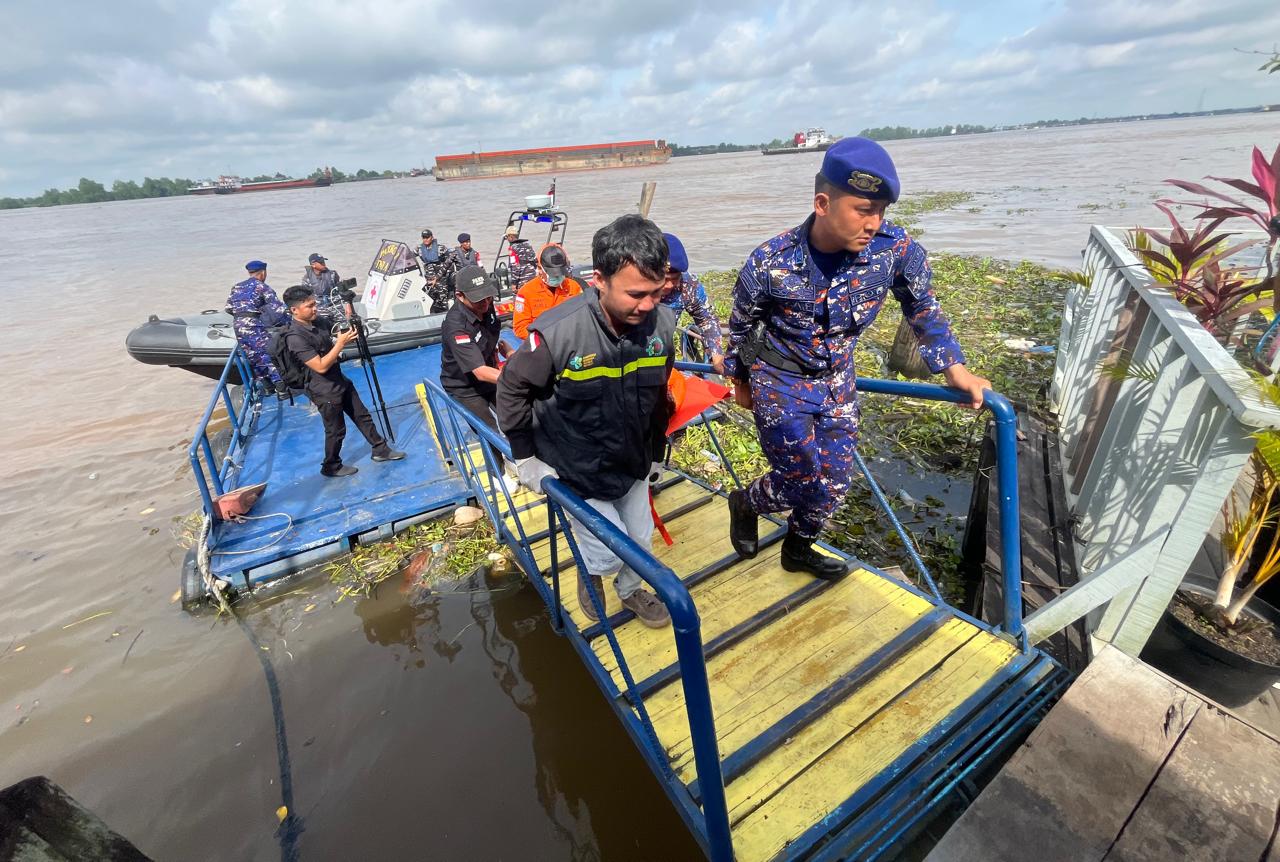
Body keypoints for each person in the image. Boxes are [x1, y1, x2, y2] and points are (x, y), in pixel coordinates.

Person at [724, 137, 991, 580]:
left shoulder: (893, 250)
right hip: (781, 379)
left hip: (839, 379)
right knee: (798, 479)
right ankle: (746, 501)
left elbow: (922, 306)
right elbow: (739, 328)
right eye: (863, 210)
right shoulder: (770, 261)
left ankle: (798, 548)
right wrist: (742, 383)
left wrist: (955, 370)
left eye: (881, 211)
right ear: (824, 203)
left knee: (834, 482)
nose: (874, 222)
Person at [497, 214, 675, 629]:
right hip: (575, 467)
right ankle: (590, 572)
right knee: (608, 551)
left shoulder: (662, 325)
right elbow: (511, 389)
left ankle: (631, 591)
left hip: (630, 462)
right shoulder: (557, 334)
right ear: (599, 278)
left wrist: (655, 453)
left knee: (641, 541)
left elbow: (659, 395)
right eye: (636, 294)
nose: (648, 305)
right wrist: (525, 458)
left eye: (656, 292)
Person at [281, 285, 405, 477]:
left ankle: (380, 449)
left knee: (362, 415)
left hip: (338, 379)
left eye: (314, 304)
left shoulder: (317, 322)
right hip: (322, 388)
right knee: (335, 430)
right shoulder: (296, 338)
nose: (315, 309)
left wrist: (349, 310)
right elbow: (320, 366)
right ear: (294, 310)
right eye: (309, 306)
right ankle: (330, 465)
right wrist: (340, 344)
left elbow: (338, 326)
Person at [439, 264, 515, 478]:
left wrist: (504, 349)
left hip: (490, 372)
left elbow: (488, 336)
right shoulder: (457, 326)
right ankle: (496, 474)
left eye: (488, 297)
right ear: (460, 296)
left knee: (514, 414)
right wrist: (514, 377)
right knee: (488, 430)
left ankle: (517, 458)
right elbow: (478, 371)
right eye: (479, 299)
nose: (485, 303)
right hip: (464, 385)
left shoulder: (485, 305)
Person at [660, 232, 725, 375]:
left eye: (674, 279)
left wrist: (716, 353)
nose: (669, 285)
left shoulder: (688, 284)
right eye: (664, 279)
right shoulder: (636, 285)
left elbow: (706, 318)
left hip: (661, 351)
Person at [227, 260, 289, 398]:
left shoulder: (236, 287)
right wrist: (290, 320)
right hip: (253, 324)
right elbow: (278, 309)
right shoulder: (262, 287)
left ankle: (267, 387)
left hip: (238, 325)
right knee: (268, 353)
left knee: (252, 355)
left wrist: (242, 317)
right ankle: (281, 389)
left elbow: (228, 308)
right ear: (263, 273)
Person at [511, 244, 583, 339]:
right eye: (553, 274)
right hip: (542, 347)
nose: (557, 277)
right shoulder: (526, 293)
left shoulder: (574, 287)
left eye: (560, 273)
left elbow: (584, 318)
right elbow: (520, 329)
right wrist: (547, 339)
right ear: (540, 269)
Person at [301, 253, 353, 321]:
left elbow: (342, 290)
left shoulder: (332, 274)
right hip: (319, 308)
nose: (324, 264)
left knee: (344, 325)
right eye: (321, 262)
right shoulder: (307, 279)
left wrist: (347, 305)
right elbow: (305, 298)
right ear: (313, 264)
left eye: (324, 261)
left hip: (335, 305)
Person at [418, 229, 452, 312]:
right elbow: (408, 257)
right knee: (430, 298)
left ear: (432, 237)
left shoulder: (441, 248)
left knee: (442, 300)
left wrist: (443, 274)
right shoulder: (419, 249)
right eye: (424, 237)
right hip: (428, 278)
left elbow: (450, 259)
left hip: (440, 278)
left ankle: (445, 314)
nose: (425, 239)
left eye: (427, 237)